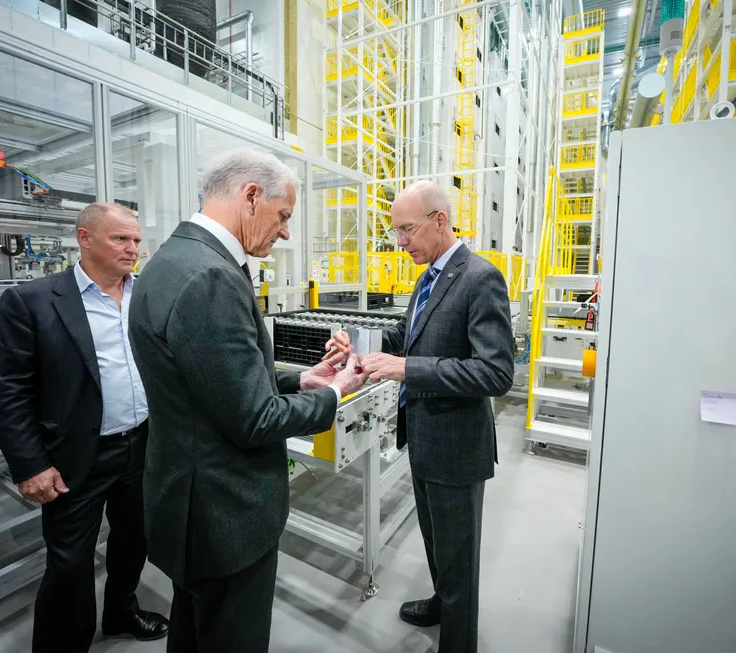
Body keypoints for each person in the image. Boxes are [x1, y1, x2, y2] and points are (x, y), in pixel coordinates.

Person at [128, 147, 368, 653]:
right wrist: (333, 390)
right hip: (224, 514)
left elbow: (212, 382)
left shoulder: (171, 260)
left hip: (189, 503)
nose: (285, 233)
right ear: (251, 196)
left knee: (194, 631)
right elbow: (255, 420)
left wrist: (299, 380)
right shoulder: (210, 276)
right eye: (283, 216)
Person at [331, 181, 514, 653]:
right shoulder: (428, 276)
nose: (401, 241)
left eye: (406, 229)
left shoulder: (480, 277)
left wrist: (408, 369)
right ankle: (441, 600)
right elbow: (405, 334)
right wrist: (360, 344)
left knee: (459, 556)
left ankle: (458, 641)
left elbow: (495, 372)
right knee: (438, 546)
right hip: (425, 438)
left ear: (439, 220)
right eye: (396, 232)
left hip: (456, 446)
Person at [0, 202, 170, 653]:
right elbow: (8, 390)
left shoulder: (147, 295)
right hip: (73, 456)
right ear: (84, 239)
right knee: (70, 562)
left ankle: (121, 613)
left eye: (137, 241)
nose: (133, 249)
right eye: (121, 239)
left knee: (134, 542)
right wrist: (30, 464)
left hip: (142, 445)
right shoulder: (32, 300)